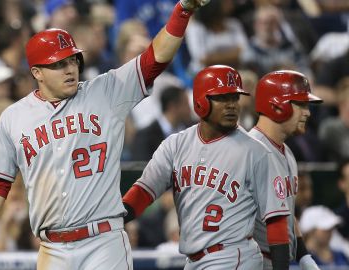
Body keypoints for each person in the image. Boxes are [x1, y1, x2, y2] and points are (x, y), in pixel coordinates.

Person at [0, 1, 211, 269]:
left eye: (73, 60)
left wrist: (182, 11)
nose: (69, 69)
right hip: (52, 248)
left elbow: (155, 59)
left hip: (103, 242)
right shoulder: (13, 118)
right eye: (58, 64)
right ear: (37, 73)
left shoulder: (106, 92)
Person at [123, 65, 291, 270]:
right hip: (193, 260)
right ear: (200, 101)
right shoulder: (176, 145)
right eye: (223, 98)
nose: (232, 106)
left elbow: (277, 223)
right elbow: (143, 192)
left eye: (235, 98)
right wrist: (113, 219)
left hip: (234, 257)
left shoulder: (256, 152)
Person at [249, 70, 322, 270]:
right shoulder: (252, 150)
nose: (307, 112)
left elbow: (287, 212)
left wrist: (304, 256)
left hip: (275, 259)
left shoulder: (286, 152)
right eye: (300, 104)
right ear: (276, 106)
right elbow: (275, 223)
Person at [131, 85, 192, 161]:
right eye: (186, 104)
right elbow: (141, 168)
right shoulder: (144, 136)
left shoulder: (192, 131)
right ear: (172, 107)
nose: (190, 109)